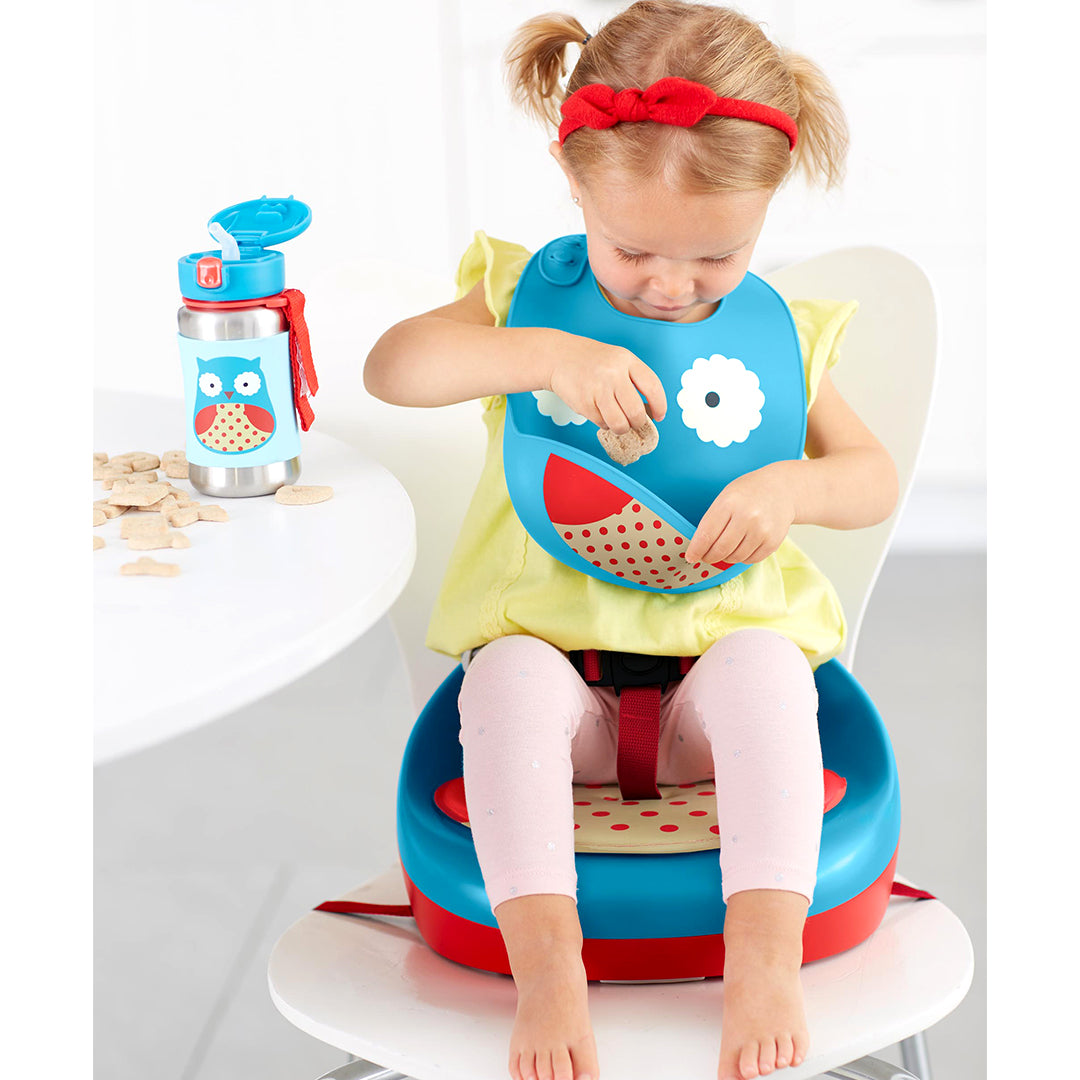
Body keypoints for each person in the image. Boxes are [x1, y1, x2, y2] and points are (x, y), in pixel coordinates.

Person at [364, 4, 898, 1079]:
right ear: (573, 182)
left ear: (766, 209)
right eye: (633, 248)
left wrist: (796, 485)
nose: (669, 284)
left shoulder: (783, 337)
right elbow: (394, 369)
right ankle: (548, 970)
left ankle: (763, 959)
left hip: (712, 714)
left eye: (718, 254)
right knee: (507, 675)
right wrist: (540, 355)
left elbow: (872, 478)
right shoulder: (521, 300)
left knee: (764, 667)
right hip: (563, 712)